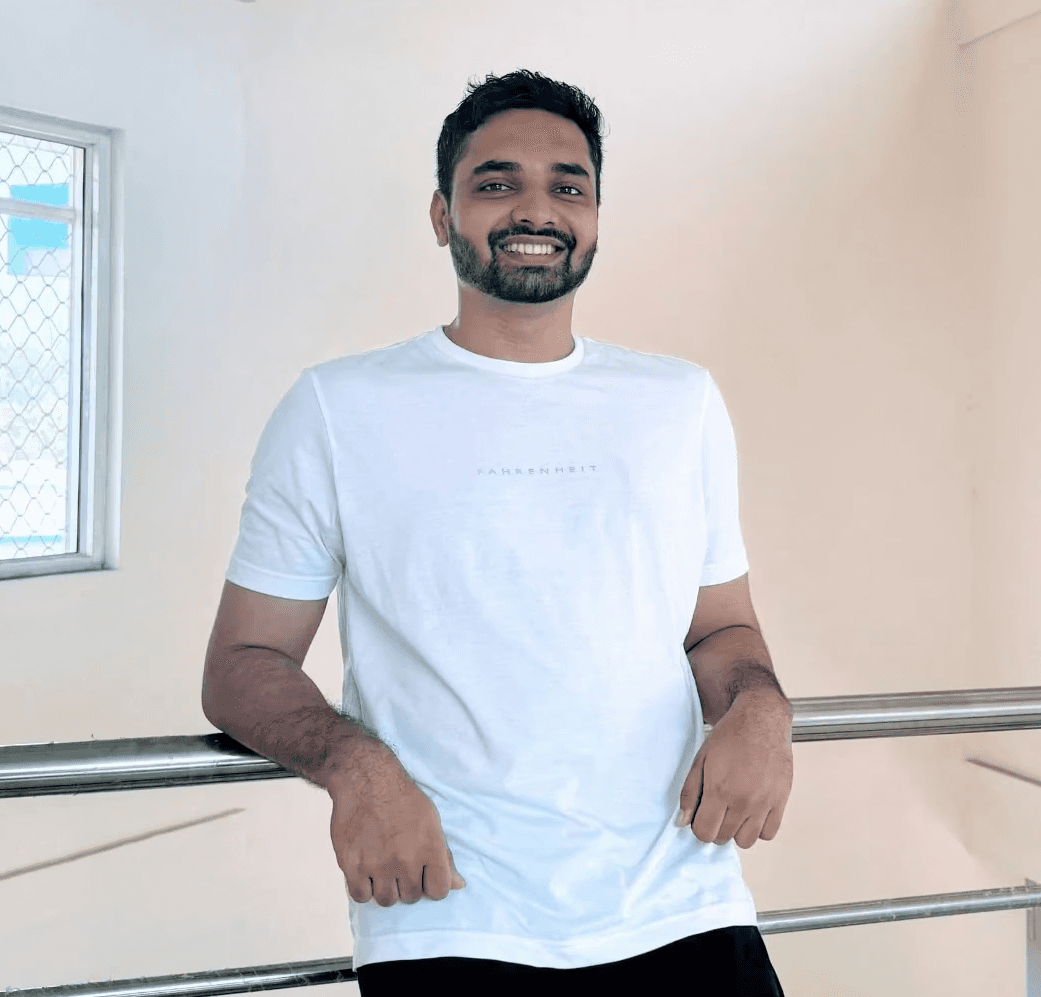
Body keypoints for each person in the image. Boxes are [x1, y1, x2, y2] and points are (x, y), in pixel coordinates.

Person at [202, 69, 794, 997]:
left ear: (594, 218)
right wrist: (356, 768)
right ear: (442, 215)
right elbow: (241, 662)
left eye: (568, 185)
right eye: (495, 181)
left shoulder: (678, 402)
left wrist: (762, 710)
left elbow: (718, 628)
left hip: (684, 901)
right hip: (450, 917)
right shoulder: (335, 407)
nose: (536, 207)